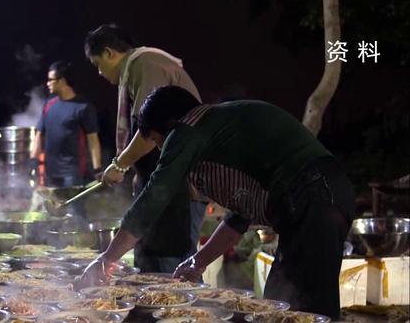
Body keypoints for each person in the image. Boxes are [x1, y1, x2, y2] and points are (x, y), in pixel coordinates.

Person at [81, 86, 355, 319]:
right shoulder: (221, 130)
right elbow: (239, 216)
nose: (160, 150)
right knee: (289, 302)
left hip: (313, 196)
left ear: (166, 126)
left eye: (155, 140)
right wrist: (197, 262)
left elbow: (155, 196)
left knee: (298, 309)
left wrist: (107, 259)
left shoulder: (187, 128)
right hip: (324, 195)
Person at [84, 23, 205, 272]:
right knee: (151, 264)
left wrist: (120, 164)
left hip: (179, 186)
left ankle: (180, 311)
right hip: (163, 183)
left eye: (97, 65)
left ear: (109, 52)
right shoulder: (141, 67)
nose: (99, 73)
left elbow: (150, 132)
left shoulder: (145, 64)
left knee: (172, 266)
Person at [30, 61, 102, 187]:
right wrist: (34, 162)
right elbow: (39, 135)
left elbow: (93, 140)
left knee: (74, 207)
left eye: (50, 80)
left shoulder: (83, 107)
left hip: (73, 173)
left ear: (62, 81)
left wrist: (97, 169)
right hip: (50, 173)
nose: (47, 83)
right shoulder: (49, 105)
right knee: (52, 207)